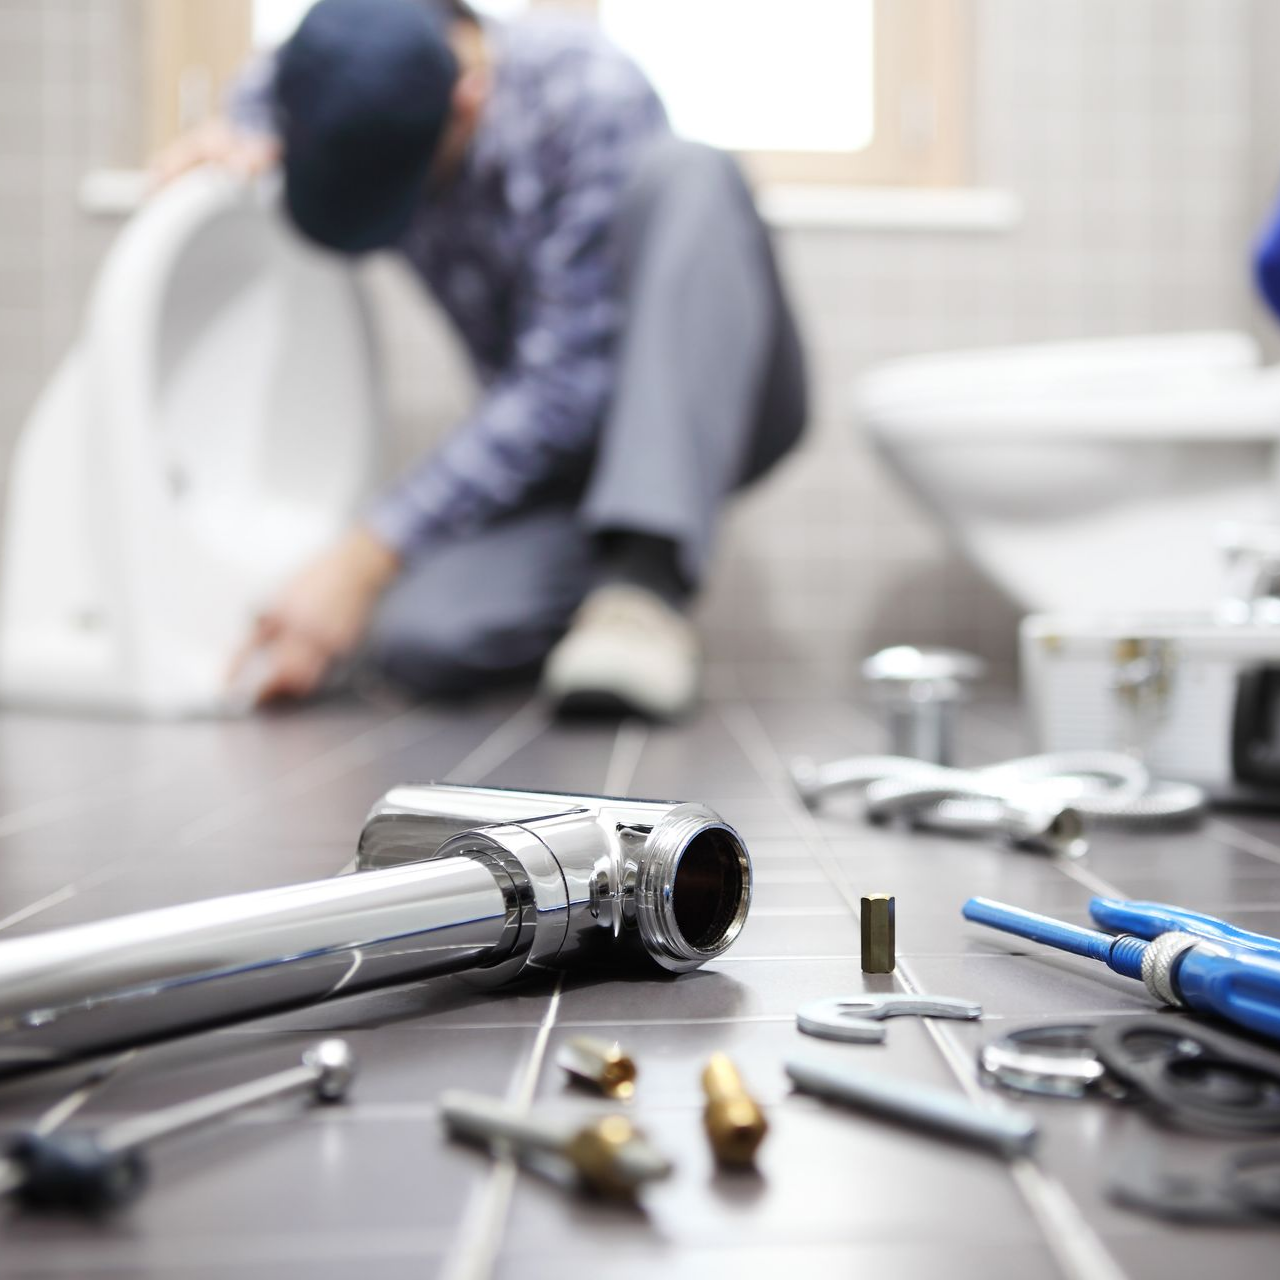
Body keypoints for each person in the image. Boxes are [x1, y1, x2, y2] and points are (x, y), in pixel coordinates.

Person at [164, 0, 806, 720]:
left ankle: (645, 587)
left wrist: (363, 556)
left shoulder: (585, 92)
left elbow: (566, 384)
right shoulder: (340, 72)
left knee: (691, 173)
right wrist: (237, 129)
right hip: (563, 465)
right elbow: (272, 79)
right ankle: (604, 593)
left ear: (468, 99)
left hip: (706, 392)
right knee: (421, 637)